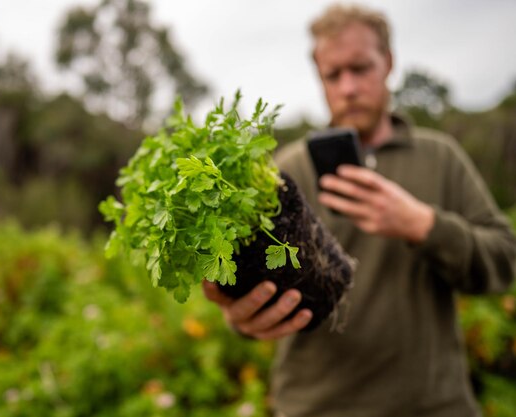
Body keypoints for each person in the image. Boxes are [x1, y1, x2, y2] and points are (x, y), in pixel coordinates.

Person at [203, 3, 516, 417]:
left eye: (361, 68)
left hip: (434, 405)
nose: (348, 87)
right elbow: (251, 289)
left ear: (388, 63)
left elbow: (505, 262)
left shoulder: (440, 157)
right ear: (319, 76)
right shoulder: (283, 173)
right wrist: (240, 317)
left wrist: (421, 224)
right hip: (317, 406)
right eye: (333, 74)